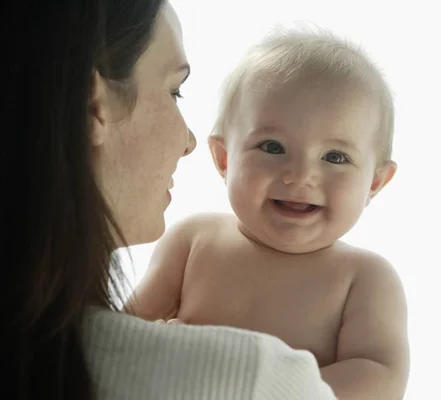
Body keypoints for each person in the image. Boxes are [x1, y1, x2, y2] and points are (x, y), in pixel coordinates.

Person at [3, 1, 336, 399]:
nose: (189, 141)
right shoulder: (250, 379)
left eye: (335, 157)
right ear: (93, 106)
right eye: (174, 90)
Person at [127, 28, 410, 399]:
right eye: (272, 147)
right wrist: (162, 345)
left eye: (335, 157)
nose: (300, 175)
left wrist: (262, 387)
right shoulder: (192, 241)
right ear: (224, 159)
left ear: (374, 182)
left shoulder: (364, 279)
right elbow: (121, 334)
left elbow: (380, 377)